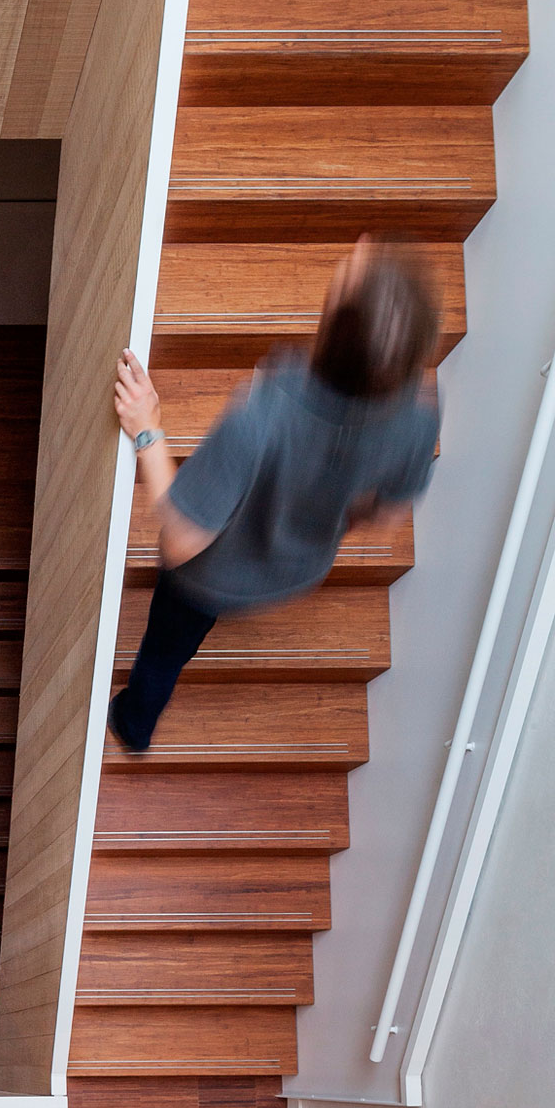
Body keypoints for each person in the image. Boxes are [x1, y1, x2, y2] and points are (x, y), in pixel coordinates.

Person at [109, 237, 441, 754]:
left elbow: (180, 541)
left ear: (335, 327)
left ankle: (135, 724)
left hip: (204, 581)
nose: (358, 248)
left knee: (165, 651)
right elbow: (386, 514)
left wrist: (146, 427)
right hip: (299, 570)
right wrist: (322, 502)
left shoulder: (262, 415)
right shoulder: (420, 419)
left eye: (350, 273)